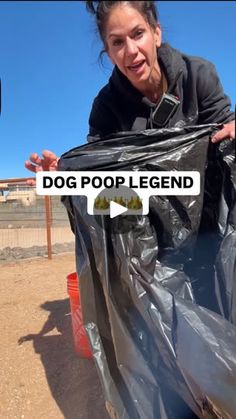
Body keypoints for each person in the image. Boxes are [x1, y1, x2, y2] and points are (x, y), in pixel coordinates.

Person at [25, 0, 235, 173]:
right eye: (117, 42)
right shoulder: (105, 106)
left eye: (138, 34)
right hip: (140, 218)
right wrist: (65, 171)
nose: (131, 50)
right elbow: (97, 166)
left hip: (205, 208)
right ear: (109, 54)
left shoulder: (197, 75)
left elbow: (225, 128)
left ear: (156, 34)